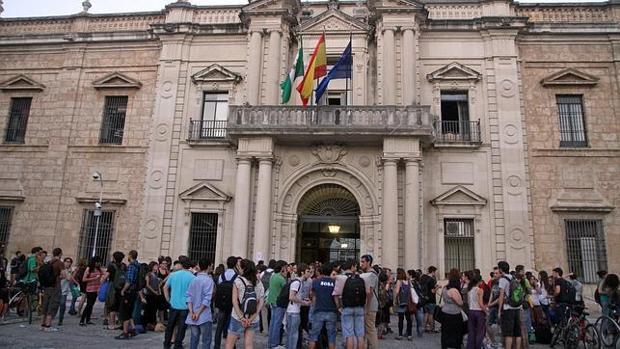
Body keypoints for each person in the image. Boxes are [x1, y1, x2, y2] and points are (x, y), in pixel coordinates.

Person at [226, 259, 265, 349]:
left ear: (243, 269)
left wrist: (241, 317)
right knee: (249, 344)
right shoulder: (258, 282)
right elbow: (260, 302)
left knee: (229, 344)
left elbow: (234, 301)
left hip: (237, 317)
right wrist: (251, 318)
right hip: (253, 318)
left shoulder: (238, 281)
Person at [333, 259, 366, 349]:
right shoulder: (360, 278)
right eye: (355, 266)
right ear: (352, 267)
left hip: (346, 308)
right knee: (360, 334)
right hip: (359, 307)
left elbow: (336, 295)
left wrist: (338, 307)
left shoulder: (340, 278)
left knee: (349, 334)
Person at [163, 257, 195, 349]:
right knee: (182, 328)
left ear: (181, 265)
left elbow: (165, 287)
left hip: (173, 304)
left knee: (170, 326)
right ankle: (178, 345)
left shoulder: (173, 275)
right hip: (185, 306)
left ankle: (166, 344)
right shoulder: (192, 277)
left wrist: (168, 299)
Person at [186, 258, 214, 349]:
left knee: (194, 340)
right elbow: (207, 299)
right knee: (206, 340)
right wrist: (198, 313)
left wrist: (191, 312)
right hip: (204, 315)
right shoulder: (209, 280)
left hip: (193, 314)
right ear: (209, 266)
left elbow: (188, 297)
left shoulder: (194, 279)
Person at [309, 263, 338, 349]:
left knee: (313, 336)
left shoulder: (316, 281)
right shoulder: (334, 282)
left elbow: (312, 295)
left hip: (318, 310)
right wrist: (338, 307)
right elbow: (336, 297)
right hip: (331, 311)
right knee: (331, 337)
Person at [214, 256, 239, 349]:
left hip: (222, 304)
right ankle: (232, 346)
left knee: (219, 327)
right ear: (236, 264)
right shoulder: (237, 276)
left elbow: (218, 287)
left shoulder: (221, 275)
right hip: (232, 304)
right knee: (231, 327)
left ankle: (216, 345)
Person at [286, 263, 311, 349]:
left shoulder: (298, 282)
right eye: (308, 271)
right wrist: (303, 302)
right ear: (302, 272)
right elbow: (291, 297)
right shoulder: (297, 282)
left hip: (292, 311)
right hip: (294, 312)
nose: (309, 273)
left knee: (291, 334)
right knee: (293, 335)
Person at [116, 250, 140, 340]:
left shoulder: (131, 266)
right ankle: (133, 329)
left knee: (125, 312)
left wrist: (123, 290)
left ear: (130, 255)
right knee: (129, 311)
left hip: (129, 292)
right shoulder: (138, 265)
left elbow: (129, 280)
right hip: (135, 291)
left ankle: (125, 332)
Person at [498, 261, 522, 349]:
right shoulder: (513, 277)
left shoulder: (503, 280)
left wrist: (499, 310)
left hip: (508, 308)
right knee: (517, 332)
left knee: (509, 333)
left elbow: (501, 295)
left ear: (500, 269)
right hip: (517, 307)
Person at [40, 247, 64, 332]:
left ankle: (42, 325)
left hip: (47, 286)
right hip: (55, 286)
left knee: (45, 304)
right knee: (53, 304)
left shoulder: (49, 262)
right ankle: (48, 325)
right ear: (60, 254)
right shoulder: (59, 263)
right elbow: (64, 275)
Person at [441, 268, 465, 349]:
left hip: (445, 312)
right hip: (454, 314)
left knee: (445, 333)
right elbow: (460, 303)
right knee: (456, 334)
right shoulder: (454, 290)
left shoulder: (445, 288)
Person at [359, 255, 379, 348]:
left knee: (370, 329)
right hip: (370, 305)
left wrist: (366, 307)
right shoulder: (369, 274)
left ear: (368, 262)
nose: (361, 264)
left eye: (363, 262)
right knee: (368, 329)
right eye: (361, 261)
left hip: (370, 306)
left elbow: (370, 292)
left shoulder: (371, 274)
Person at [267, 260, 288, 349]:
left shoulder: (273, 276)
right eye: (286, 267)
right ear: (282, 267)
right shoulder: (281, 278)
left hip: (272, 302)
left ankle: (270, 343)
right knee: (277, 324)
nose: (287, 269)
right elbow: (286, 289)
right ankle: (274, 344)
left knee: (272, 324)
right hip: (279, 303)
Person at [466, 272, 487, 349]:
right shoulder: (480, 290)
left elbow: (468, 302)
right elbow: (481, 304)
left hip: (471, 311)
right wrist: (486, 311)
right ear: (479, 281)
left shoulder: (469, 290)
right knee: (480, 332)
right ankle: (478, 346)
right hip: (478, 312)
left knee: (471, 332)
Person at [80, 256, 102, 326]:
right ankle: (82, 320)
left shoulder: (99, 269)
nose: (99, 263)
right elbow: (84, 279)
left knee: (91, 305)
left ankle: (88, 320)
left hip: (96, 289)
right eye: (98, 262)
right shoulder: (88, 269)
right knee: (88, 305)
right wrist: (94, 278)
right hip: (90, 289)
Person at [394, 268, 412, 340]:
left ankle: (400, 335)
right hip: (408, 302)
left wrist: (395, 300)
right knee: (408, 319)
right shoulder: (408, 281)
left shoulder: (399, 281)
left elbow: (397, 292)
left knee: (401, 319)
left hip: (401, 303)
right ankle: (409, 335)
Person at [420, 266, 440, 333]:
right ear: (433, 272)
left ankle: (425, 327)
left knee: (426, 313)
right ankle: (431, 328)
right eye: (435, 272)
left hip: (425, 298)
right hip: (431, 299)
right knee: (431, 314)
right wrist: (438, 287)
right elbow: (433, 291)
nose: (435, 274)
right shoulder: (431, 280)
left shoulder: (423, 278)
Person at [57, 257, 74, 326]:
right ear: (64, 262)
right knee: (54, 305)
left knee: (62, 304)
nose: (68, 263)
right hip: (57, 289)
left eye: (70, 262)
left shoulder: (70, 270)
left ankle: (60, 319)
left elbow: (69, 278)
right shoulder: (60, 269)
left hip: (64, 290)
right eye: (67, 261)